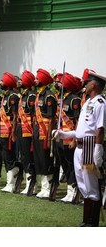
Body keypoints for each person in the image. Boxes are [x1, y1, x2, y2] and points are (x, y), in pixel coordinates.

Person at [54, 71, 105, 227]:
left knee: (90, 185)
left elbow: (100, 129)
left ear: (94, 85)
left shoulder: (100, 103)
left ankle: (92, 222)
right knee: (82, 184)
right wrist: (63, 134)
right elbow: (80, 130)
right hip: (80, 147)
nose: (85, 84)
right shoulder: (87, 103)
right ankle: (86, 220)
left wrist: (97, 149)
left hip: (90, 147)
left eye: (87, 82)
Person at [54, 72, 81, 203]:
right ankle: (69, 190)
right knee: (64, 164)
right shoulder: (61, 98)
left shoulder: (75, 99)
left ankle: (73, 190)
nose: (58, 84)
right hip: (60, 137)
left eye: (60, 82)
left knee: (71, 165)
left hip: (70, 137)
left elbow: (78, 121)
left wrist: (75, 140)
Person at [33, 68, 57, 199]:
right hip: (38, 131)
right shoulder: (39, 95)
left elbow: (52, 118)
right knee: (39, 159)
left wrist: (48, 138)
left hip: (46, 131)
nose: (35, 80)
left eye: (37, 78)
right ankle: (43, 187)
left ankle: (48, 188)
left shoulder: (48, 96)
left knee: (46, 159)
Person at [0, 72, 21, 193]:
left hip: (9, 130)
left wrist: (13, 133)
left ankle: (11, 184)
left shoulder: (13, 96)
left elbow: (15, 115)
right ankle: (10, 182)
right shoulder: (5, 96)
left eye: (2, 81)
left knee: (10, 156)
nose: (0, 83)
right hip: (3, 130)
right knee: (5, 156)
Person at [17, 70, 37, 195]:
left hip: (28, 131)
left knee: (29, 157)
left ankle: (32, 184)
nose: (19, 81)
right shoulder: (23, 95)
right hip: (21, 128)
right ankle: (29, 183)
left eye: (21, 79)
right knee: (23, 156)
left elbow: (34, 116)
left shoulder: (31, 96)